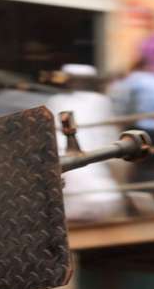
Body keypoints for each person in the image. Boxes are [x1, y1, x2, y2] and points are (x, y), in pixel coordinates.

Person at [45, 64, 124, 222]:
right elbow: (111, 138)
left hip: (72, 183)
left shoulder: (55, 101)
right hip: (104, 193)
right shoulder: (100, 101)